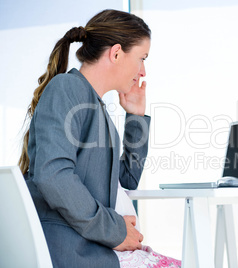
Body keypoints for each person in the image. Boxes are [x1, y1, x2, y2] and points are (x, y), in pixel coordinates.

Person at [19, 9, 180, 268]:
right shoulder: (67, 88)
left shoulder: (95, 108)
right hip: (76, 251)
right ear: (116, 53)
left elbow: (127, 178)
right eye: (141, 58)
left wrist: (136, 118)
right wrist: (115, 231)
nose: (143, 71)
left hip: (96, 247)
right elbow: (53, 176)